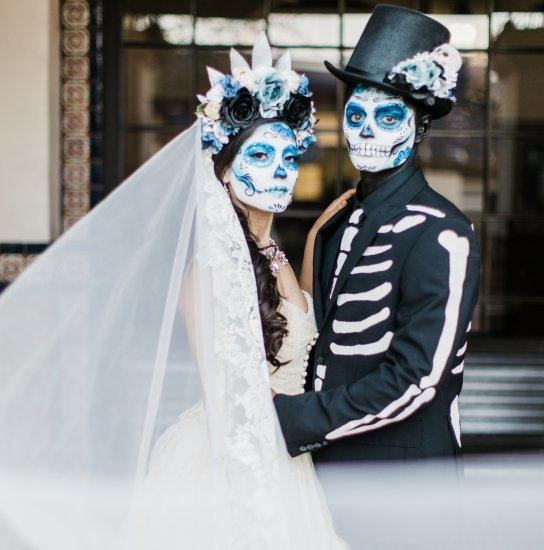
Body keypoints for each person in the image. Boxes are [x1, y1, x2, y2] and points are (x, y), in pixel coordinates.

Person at [0, 34, 347, 549]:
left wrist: (318, 235)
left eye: (288, 155)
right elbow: (229, 399)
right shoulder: (208, 271)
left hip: (289, 455)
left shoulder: (275, 257)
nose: (279, 168)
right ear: (225, 171)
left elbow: (296, 324)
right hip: (233, 461)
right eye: (259, 154)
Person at [273, 5, 481, 463]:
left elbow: (419, 378)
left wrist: (294, 419)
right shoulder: (336, 222)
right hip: (322, 468)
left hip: (400, 475)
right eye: (356, 114)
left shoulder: (442, 232)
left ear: (420, 125)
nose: (367, 130)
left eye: (388, 117)